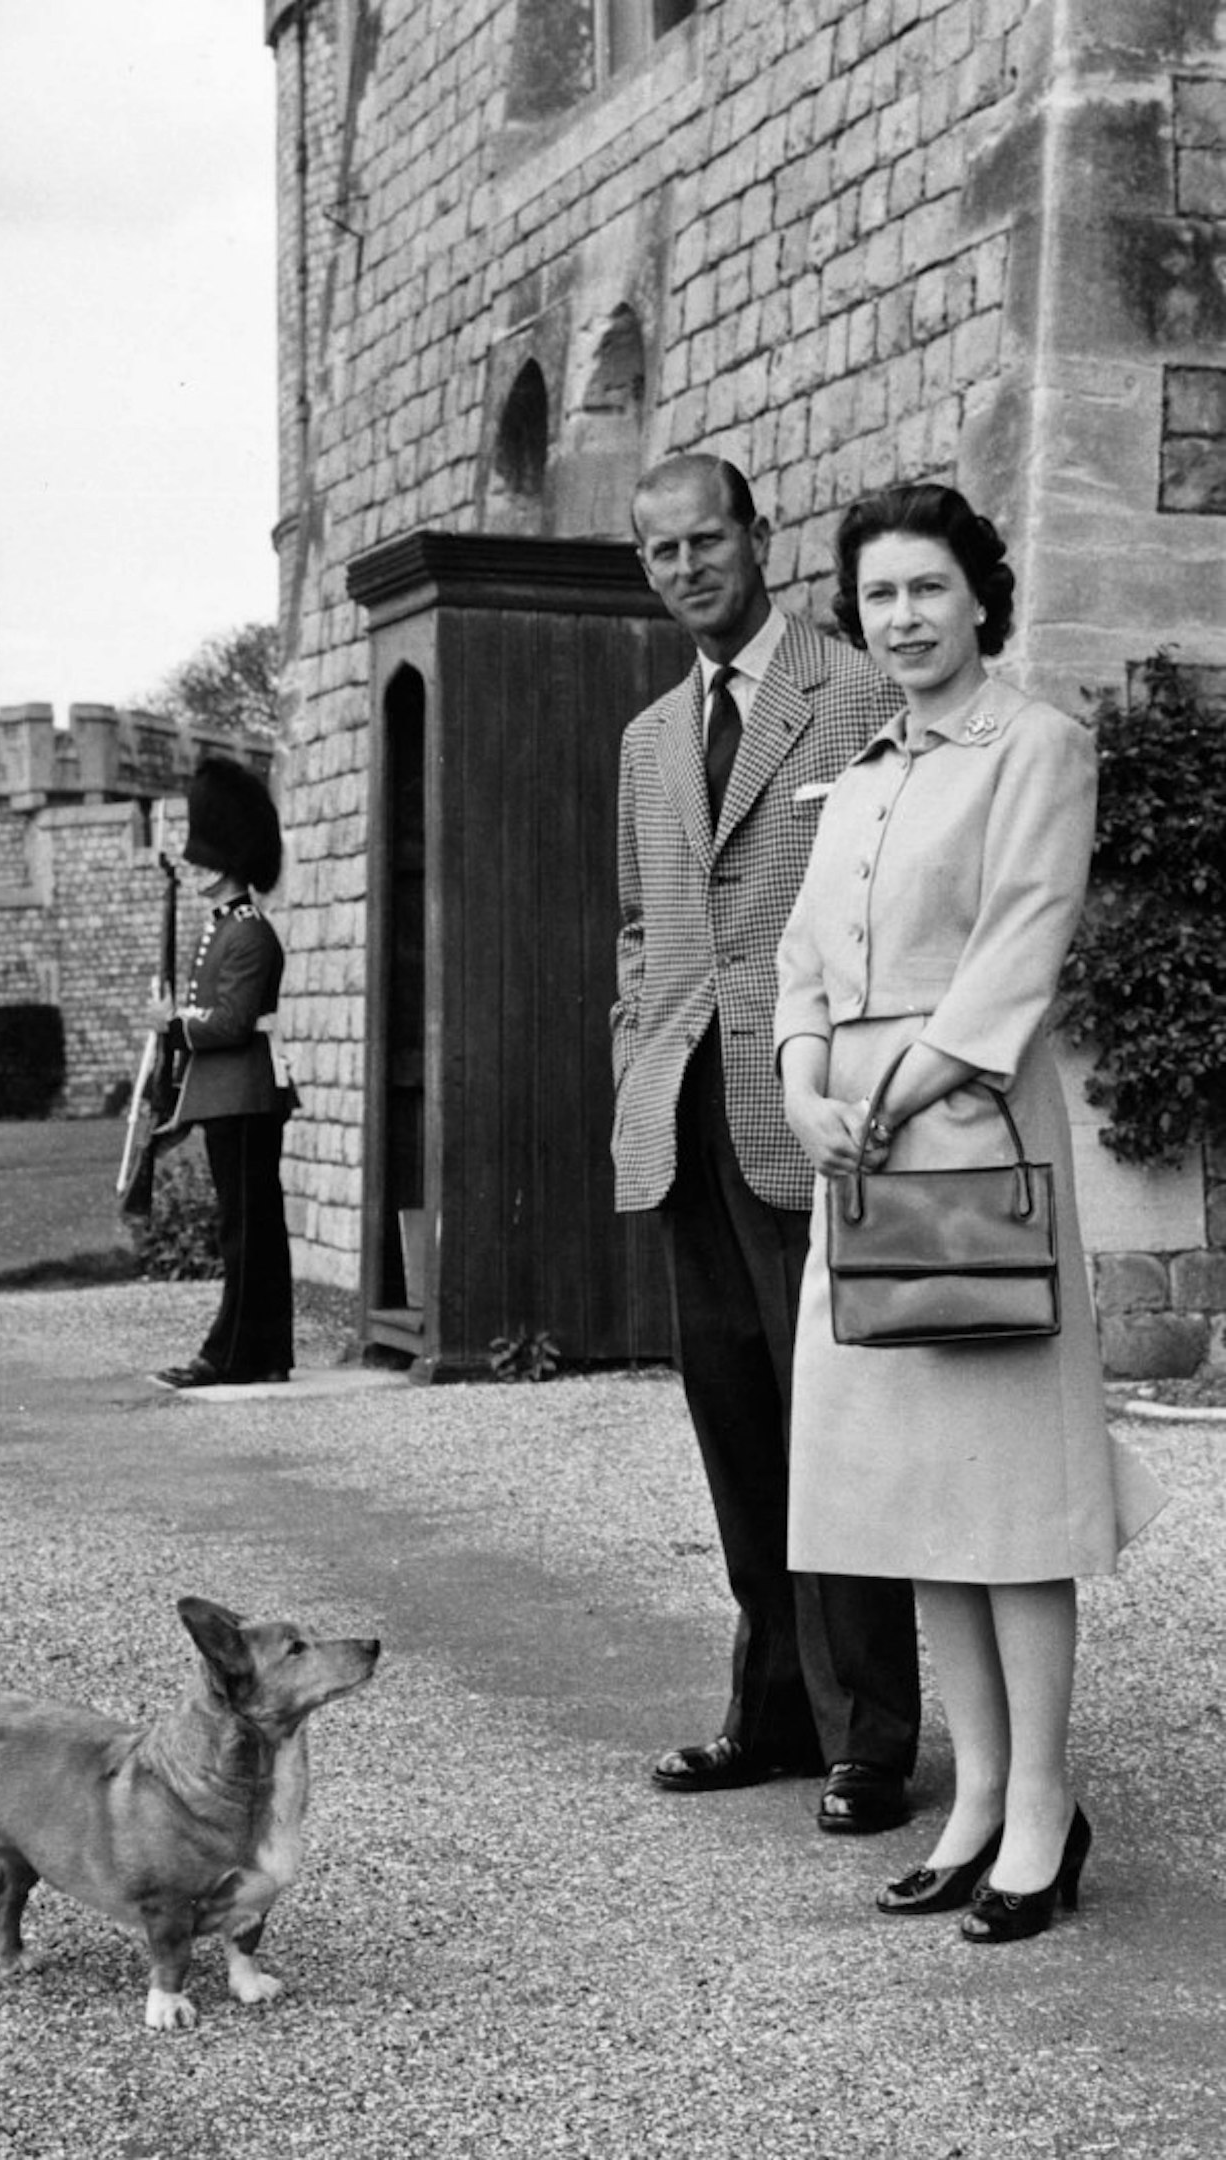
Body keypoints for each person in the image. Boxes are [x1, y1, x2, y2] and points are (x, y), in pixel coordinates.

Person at [775, 480, 1165, 1939]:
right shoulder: (861, 774)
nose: (905, 618)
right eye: (879, 596)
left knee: (1011, 1497)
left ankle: (1047, 1807)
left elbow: (1022, 941)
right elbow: (801, 963)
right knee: (920, 1498)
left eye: (928, 588)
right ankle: (982, 1797)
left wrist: (902, 1087)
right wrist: (811, 1086)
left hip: (973, 1133)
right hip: (861, 1156)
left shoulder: (1038, 744)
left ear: (980, 595)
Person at [612, 452, 922, 1833]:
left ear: (759, 538)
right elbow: (644, 927)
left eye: (706, 541)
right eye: (662, 552)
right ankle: (775, 1713)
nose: (688, 569)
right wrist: (634, 1042)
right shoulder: (647, 739)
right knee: (736, 1426)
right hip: (684, 1121)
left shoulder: (855, 693)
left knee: (838, 1430)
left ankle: (872, 1739)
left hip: (813, 1115)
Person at [149, 755, 298, 1390]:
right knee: (245, 1225)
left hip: (244, 1092)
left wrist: (173, 1025)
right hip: (225, 1093)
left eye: (207, 857)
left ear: (231, 861)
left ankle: (234, 1353)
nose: (196, 866)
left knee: (247, 1230)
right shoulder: (223, 930)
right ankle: (261, 1351)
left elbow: (230, 1022)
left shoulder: (249, 934)